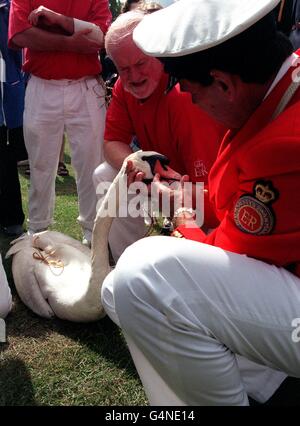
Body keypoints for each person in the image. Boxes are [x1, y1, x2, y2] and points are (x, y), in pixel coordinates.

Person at [101, 0, 300, 405]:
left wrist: (182, 216)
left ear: (223, 83)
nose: (191, 102)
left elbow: (231, 250)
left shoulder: (282, 147)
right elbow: (234, 199)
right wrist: (184, 201)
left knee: (141, 278)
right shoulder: (281, 87)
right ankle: (265, 387)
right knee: (117, 290)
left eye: (192, 92)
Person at [93, 10, 226, 261]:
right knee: (104, 175)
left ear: (158, 52)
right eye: (124, 69)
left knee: (207, 243)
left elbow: (206, 186)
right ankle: (128, 263)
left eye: (141, 64)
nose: (133, 76)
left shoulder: (186, 93)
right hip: (163, 178)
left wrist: (172, 190)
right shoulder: (124, 88)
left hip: (204, 188)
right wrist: (144, 169)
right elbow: (112, 142)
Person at [8, 1, 111, 245]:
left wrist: (58, 22)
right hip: (43, 84)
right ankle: (39, 231)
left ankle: (92, 233)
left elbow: (99, 38)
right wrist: (70, 41)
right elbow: (21, 34)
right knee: (40, 164)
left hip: (86, 85)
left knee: (91, 165)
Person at [0, 0, 25, 237]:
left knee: (5, 160)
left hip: (5, 99)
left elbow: (15, 53)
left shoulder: (8, 8)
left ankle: (11, 217)